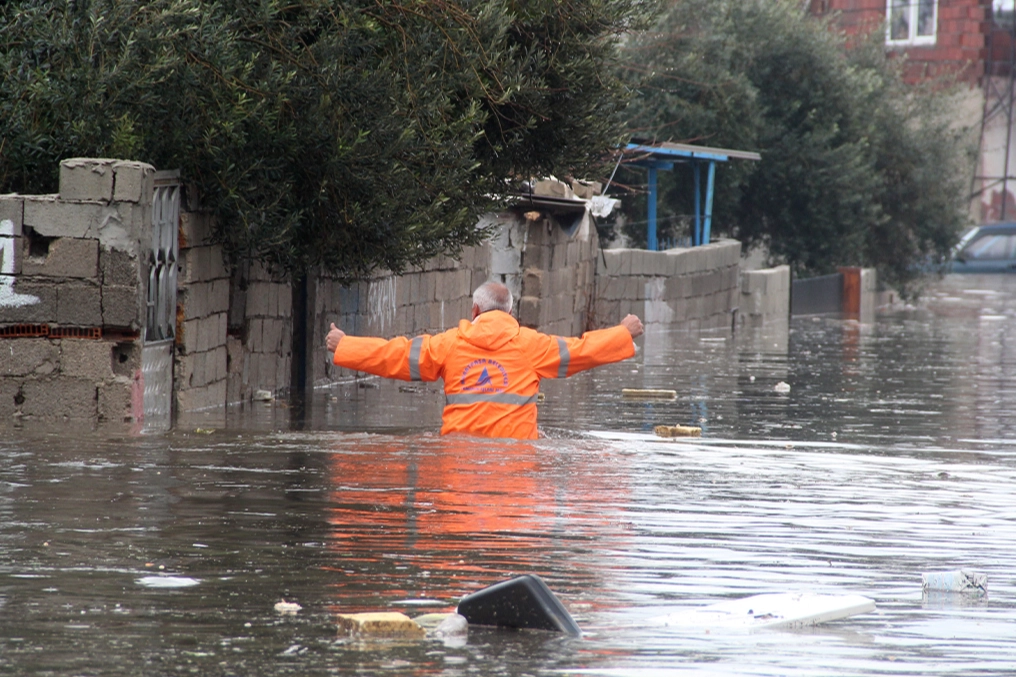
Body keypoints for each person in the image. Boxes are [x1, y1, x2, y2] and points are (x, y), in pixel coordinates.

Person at [325, 281, 644, 439]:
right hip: (518, 463)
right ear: (510, 313)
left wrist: (346, 345)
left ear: (474, 311)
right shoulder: (532, 346)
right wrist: (623, 333)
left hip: (458, 457)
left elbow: (394, 354)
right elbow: (582, 350)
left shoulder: (449, 344)